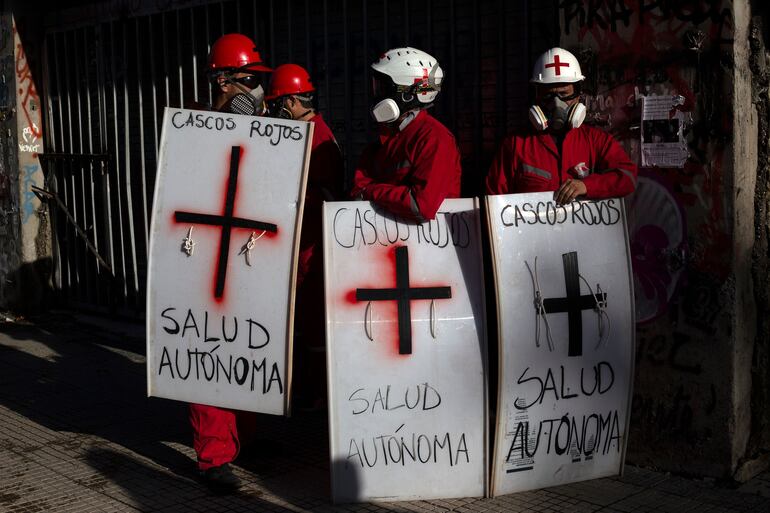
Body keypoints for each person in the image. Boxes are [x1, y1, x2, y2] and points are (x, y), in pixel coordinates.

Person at [188, 33, 272, 494]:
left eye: (259, 81)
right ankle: (213, 456)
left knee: (251, 347)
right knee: (209, 352)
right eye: (247, 80)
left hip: (251, 253)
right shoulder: (191, 126)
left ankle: (245, 441)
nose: (255, 92)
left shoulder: (265, 130)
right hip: (204, 256)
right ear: (221, 81)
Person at [265, 64, 344, 410]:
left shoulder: (318, 137)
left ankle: (319, 392)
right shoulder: (305, 132)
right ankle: (307, 388)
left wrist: (289, 197)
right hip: (301, 242)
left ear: (294, 101)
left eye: (279, 104)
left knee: (313, 322)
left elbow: (326, 193)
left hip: (312, 245)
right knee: (302, 320)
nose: (276, 111)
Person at [485, 47, 637, 203]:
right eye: (548, 95)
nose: (556, 103)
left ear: (578, 95)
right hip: (532, 227)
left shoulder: (596, 141)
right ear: (537, 98)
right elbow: (494, 199)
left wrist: (586, 186)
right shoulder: (516, 145)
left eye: (564, 94)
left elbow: (628, 177)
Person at [351, 47, 461, 222]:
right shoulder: (385, 136)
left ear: (408, 94)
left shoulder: (435, 139)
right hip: (385, 240)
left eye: (383, 88)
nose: (376, 96)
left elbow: (421, 206)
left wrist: (372, 191)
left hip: (429, 245)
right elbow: (357, 188)